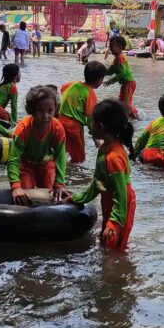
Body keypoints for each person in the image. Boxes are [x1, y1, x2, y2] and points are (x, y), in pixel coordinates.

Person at [69, 99, 136, 250]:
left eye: (91, 121)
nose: (89, 125)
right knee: (105, 244)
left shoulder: (113, 157)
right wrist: (77, 198)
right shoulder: (104, 149)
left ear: (100, 126)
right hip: (110, 200)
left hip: (121, 204)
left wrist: (115, 222)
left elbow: (121, 194)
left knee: (115, 247)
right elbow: (98, 182)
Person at [8, 86, 69, 205]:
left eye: (50, 111)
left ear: (56, 109)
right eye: (40, 111)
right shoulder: (23, 129)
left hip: (45, 164)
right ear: (29, 110)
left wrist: (59, 183)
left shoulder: (57, 128)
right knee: (24, 195)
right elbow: (14, 159)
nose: (46, 116)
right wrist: (15, 186)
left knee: (51, 196)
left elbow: (60, 156)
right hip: (25, 164)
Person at [59, 61, 105, 163]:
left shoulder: (73, 84)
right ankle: (76, 176)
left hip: (60, 120)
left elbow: (62, 89)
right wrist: (96, 138)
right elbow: (90, 120)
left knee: (61, 150)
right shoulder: (90, 94)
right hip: (73, 126)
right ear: (99, 80)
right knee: (79, 158)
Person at [104, 35, 138, 119]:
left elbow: (122, 72)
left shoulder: (120, 58)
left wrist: (111, 81)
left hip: (129, 83)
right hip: (126, 83)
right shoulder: (116, 59)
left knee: (126, 103)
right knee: (122, 100)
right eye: (110, 46)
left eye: (112, 46)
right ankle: (129, 116)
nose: (110, 48)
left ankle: (134, 118)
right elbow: (111, 70)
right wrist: (102, 73)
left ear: (120, 47)